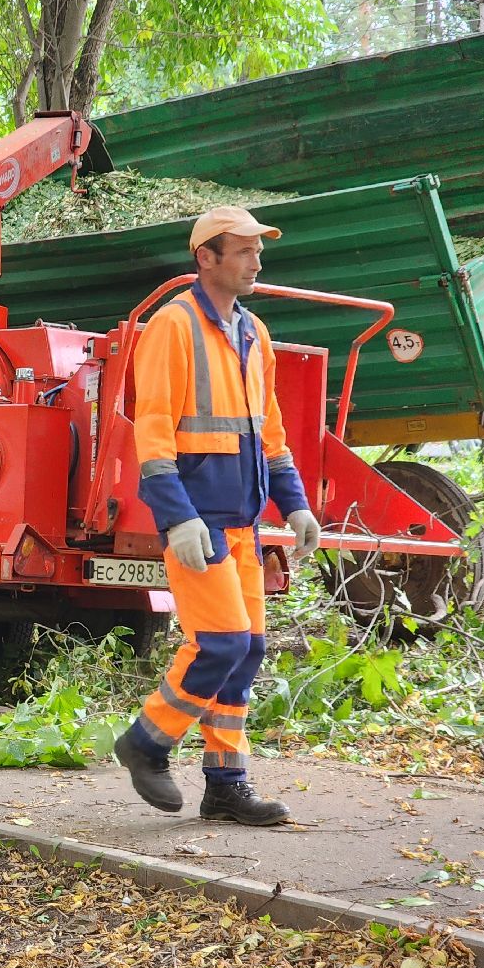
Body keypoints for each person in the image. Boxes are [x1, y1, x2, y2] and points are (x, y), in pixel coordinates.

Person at [112, 206, 321, 827]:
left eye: (259, 251)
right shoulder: (171, 327)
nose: (258, 262)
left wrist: (297, 503)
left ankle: (226, 784)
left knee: (249, 649)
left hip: (243, 526)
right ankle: (147, 742)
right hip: (198, 523)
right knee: (222, 643)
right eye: (245, 252)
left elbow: (269, 433)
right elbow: (152, 435)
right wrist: (177, 519)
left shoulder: (254, 333)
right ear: (206, 257)